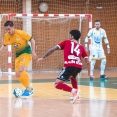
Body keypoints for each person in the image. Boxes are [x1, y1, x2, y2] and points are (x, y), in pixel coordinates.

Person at [37, 30, 90, 103]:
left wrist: (43, 57)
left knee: (57, 84)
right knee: (72, 77)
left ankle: (75, 91)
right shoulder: (81, 47)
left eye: (70, 35)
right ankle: (76, 96)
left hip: (69, 66)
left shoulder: (66, 42)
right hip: (78, 67)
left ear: (72, 36)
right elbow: (88, 61)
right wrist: (90, 74)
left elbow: (53, 49)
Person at [0, 21, 38, 97]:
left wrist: (33, 52)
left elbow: (32, 40)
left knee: (22, 69)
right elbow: (4, 45)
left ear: (13, 27)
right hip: (18, 55)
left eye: (9, 29)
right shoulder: (7, 36)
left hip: (26, 52)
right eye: (6, 30)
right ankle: (28, 88)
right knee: (18, 74)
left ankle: (29, 89)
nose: (8, 31)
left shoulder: (21, 33)